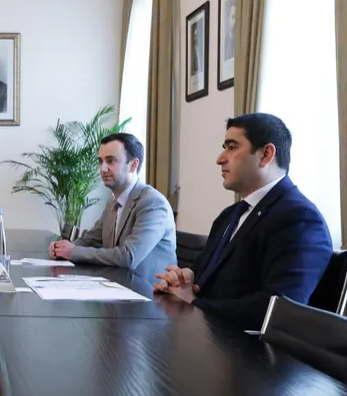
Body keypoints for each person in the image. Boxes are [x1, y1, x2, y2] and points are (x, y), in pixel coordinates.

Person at [154, 113, 332, 330]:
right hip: (204, 334)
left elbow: (277, 309)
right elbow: (199, 277)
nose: (220, 158)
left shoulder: (300, 219)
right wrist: (182, 280)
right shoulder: (229, 215)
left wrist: (195, 303)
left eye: (232, 147)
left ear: (266, 154)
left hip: (244, 348)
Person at [49, 133, 176, 280]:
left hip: (148, 290)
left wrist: (73, 252)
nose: (102, 169)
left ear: (133, 165)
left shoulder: (153, 203)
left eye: (110, 161)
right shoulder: (112, 203)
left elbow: (128, 257)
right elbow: (91, 240)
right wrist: (61, 248)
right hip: (116, 285)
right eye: (101, 161)